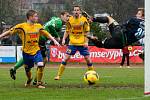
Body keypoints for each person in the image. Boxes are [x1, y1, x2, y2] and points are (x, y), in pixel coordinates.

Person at [0, 10, 60, 88]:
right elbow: (9, 32)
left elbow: (47, 34)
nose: (37, 17)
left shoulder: (38, 26)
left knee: (40, 64)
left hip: (36, 51)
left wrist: (54, 40)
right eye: (35, 16)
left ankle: (39, 83)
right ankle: (29, 79)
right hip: (26, 53)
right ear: (30, 17)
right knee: (27, 70)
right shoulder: (21, 26)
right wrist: (0, 36)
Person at [9, 11, 70, 84]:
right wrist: (56, 36)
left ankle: (15, 68)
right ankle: (36, 80)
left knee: (31, 56)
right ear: (61, 16)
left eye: (69, 16)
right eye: (67, 16)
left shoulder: (55, 19)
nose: (68, 18)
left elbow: (51, 20)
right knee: (43, 60)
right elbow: (50, 26)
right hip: (41, 39)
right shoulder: (59, 22)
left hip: (40, 38)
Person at [54, 5, 94, 80]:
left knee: (88, 59)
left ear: (80, 11)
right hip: (72, 44)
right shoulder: (70, 20)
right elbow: (67, 31)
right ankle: (58, 75)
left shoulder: (84, 20)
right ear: (73, 11)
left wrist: (86, 42)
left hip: (82, 44)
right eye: (75, 10)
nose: (76, 11)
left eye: (77, 10)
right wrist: (63, 39)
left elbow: (87, 31)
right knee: (65, 58)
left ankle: (92, 75)